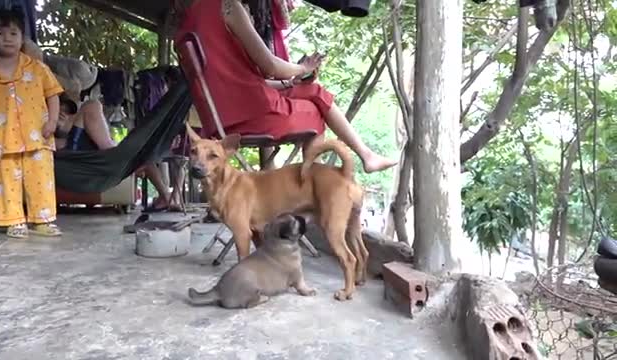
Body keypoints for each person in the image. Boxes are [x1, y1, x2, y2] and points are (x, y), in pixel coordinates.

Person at [171, 0, 397, 173]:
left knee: (313, 91)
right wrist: (303, 68)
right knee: (316, 111)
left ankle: (366, 155)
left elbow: (234, 82)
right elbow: (270, 65)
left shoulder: (186, 25)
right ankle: (309, 190)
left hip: (221, 118)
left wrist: (289, 83)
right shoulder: (227, 6)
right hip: (255, 115)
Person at [0, 9, 62, 238]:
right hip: (3, 139)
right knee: (5, 179)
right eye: (0, 33)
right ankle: (13, 221)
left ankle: (43, 220)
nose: (7, 38)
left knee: (41, 179)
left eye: (13, 33)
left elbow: (53, 94)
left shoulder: (37, 68)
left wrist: (52, 121)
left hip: (38, 136)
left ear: (22, 36)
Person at [55, 93, 184, 212]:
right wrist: (54, 125)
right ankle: (121, 155)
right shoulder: (43, 126)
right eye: (59, 108)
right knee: (92, 105)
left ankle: (165, 196)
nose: (63, 113)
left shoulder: (76, 127)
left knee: (143, 153)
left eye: (66, 110)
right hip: (74, 163)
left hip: (93, 160)